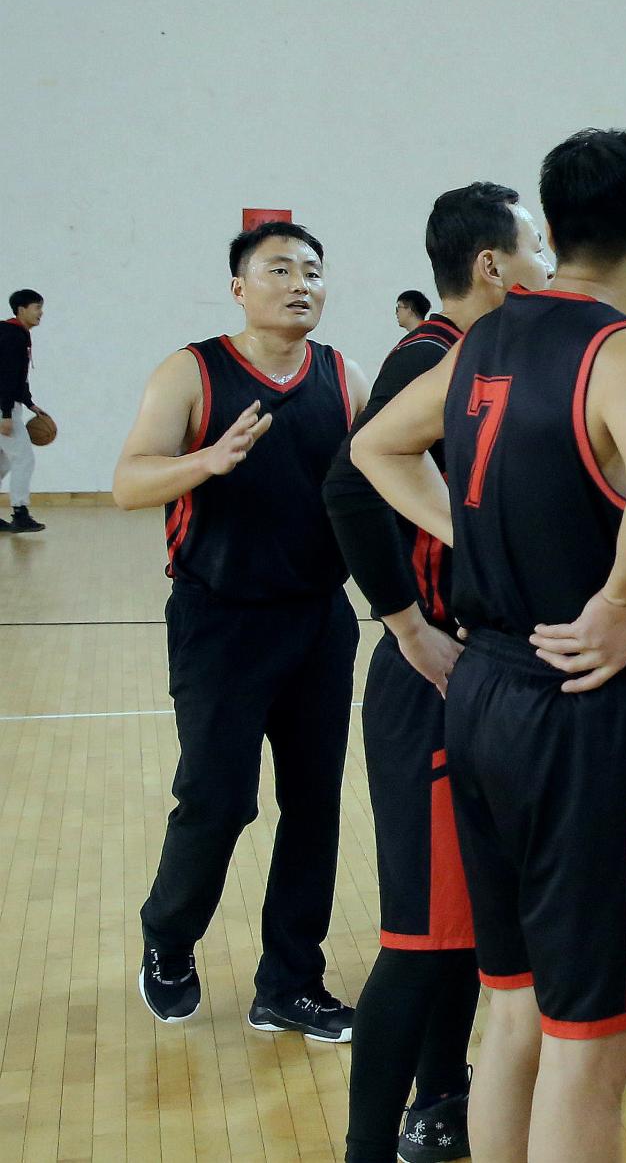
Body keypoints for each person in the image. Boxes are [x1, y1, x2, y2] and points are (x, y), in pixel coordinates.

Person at [353, 128, 626, 1163]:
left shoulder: (480, 339)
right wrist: (625, 597)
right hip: (578, 706)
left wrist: (473, 529)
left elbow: (374, 445)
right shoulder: (624, 348)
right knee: (591, 1040)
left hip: (482, 694)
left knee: (512, 1009)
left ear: (551, 226)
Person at [323, 182, 553, 1163]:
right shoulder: (431, 359)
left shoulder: (486, 359)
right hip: (429, 682)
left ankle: (443, 1098)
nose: (548, 261)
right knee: (420, 941)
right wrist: (408, 625)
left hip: (479, 678)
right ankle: (367, 1146)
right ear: (493, 265)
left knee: (466, 929)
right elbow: (348, 483)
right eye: (535, 244)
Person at [115, 221, 369, 1041]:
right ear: (239, 287)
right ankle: (168, 935)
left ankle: (290, 981)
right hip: (219, 620)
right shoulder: (191, 371)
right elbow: (128, 481)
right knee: (219, 799)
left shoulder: (343, 375)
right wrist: (207, 460)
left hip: (319, 619)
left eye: (313, 271)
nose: (301, 284)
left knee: (313, 806)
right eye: (280, 269)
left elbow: (382, 477)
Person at [0, 289, 52, 533]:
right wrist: (6, 414)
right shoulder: (12, 336)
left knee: (3, 463)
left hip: (8, 404)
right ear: (21, 310)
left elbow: (18, 377)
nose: (41, 312)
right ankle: (20, 514)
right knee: (23, 458)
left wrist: (29, 403)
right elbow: (5, 377)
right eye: (37, 307)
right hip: (3, 406)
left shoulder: (16, 334)